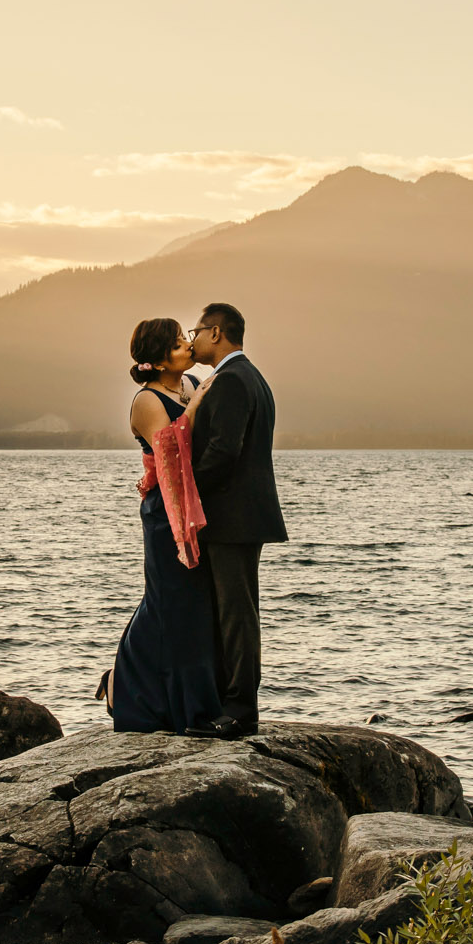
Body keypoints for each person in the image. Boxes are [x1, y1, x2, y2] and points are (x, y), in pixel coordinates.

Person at [104, 318, 223, 734]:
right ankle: (137, 695)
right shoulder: (146, 401)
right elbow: (170, 447)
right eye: (176, 345)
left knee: (196, 605)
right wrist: (198, 403)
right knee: (170, 603)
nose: (187, 348)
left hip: (196, 506)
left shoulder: (189, 382)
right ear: (156, 361)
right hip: (166, 512)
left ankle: (188, 698)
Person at [184, 303, 285, 738]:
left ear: (217, 332)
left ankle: (240, 709)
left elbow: (224, 451)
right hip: (245, 514)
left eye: (198, 331)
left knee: (236, 613)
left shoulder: (230, 381)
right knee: (236, 610)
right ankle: (233, 702)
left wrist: (187, 492)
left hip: (232, 516)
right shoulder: (252, 377)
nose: (193, 339)